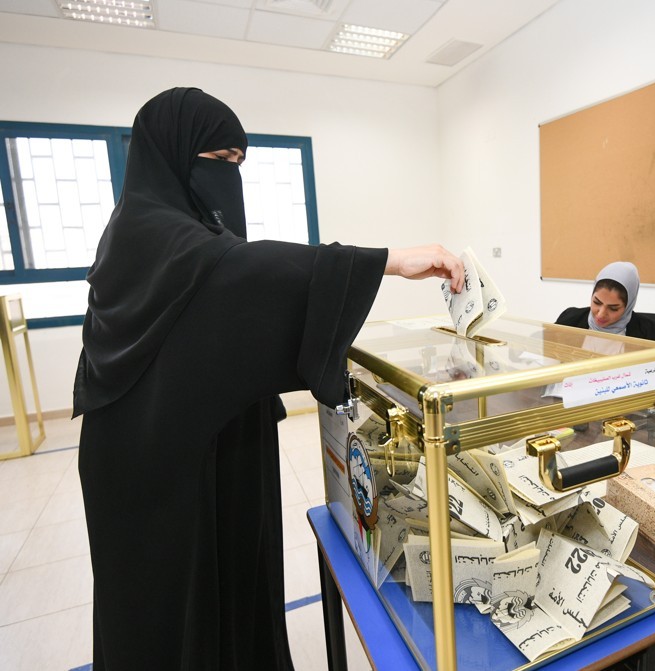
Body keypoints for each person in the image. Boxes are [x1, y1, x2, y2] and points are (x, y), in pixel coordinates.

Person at [72, 87, 464, 670]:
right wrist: (385, 260)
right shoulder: (148, 232)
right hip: (155, 472)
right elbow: (244, 275)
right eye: (219, 160)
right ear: (171, 156)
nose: (231, 176)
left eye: (239, 163)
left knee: (230, 590)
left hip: (203, 441)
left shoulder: (183, 232)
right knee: (169, 612)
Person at [555, 261, 655, 343]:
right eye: (596, 302)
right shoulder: (569, 321)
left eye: (613, 308)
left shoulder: (653, 335)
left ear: (628, 306)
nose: (601, 314)